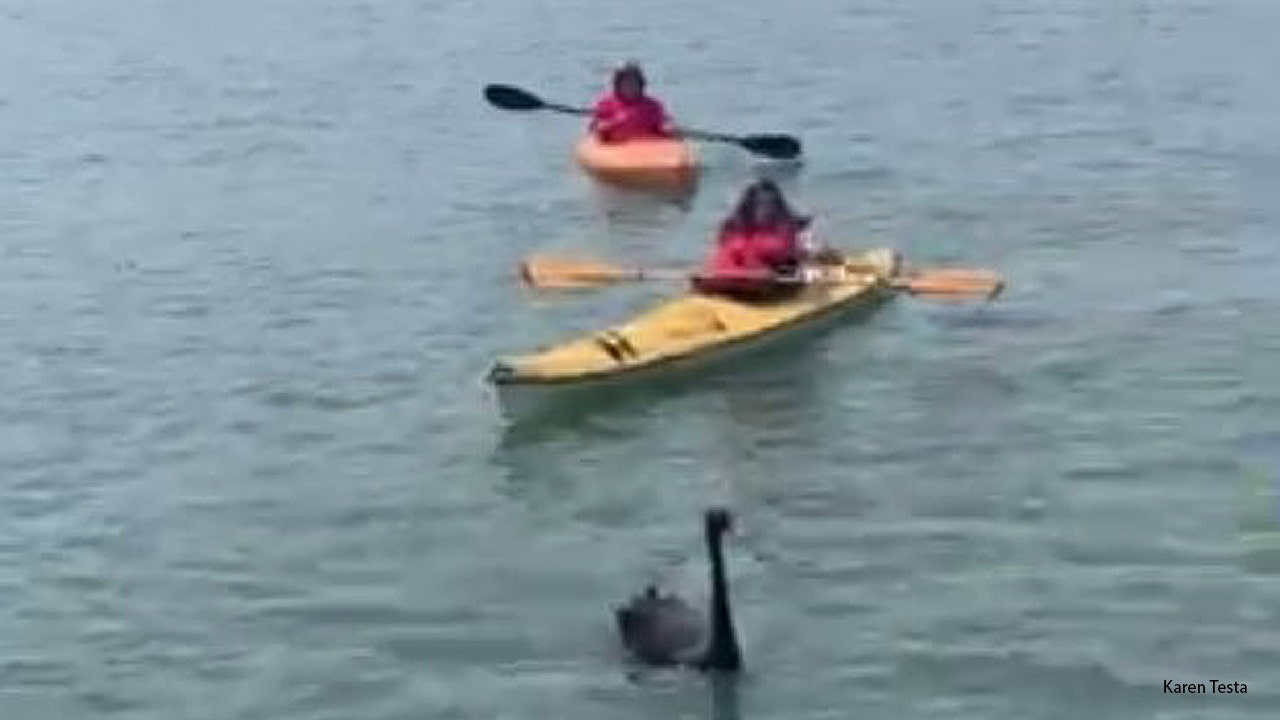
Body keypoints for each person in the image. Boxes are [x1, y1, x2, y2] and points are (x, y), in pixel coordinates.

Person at [693, 179, 842, 302]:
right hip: (750, 283)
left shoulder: (731, 225)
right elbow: (785, 255)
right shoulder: (779, 228)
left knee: (809, 261)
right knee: (808, 266)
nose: (764, 210)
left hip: (724, 279)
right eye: (762, 206)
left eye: (767, 206)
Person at [589, 62, 675, 143]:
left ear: (641, 85)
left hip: (648, 147)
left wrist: (668, 128)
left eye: (634, 83)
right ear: (617, 85)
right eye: (625, 83)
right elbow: (595, 129)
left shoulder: (653, 105)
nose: (630, 86)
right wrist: (615, 122)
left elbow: (664, 124)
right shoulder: (605, 103)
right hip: (615, 147)